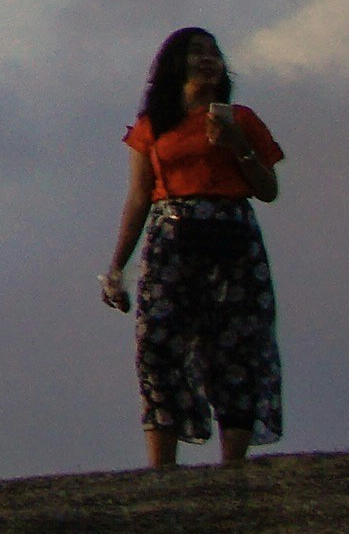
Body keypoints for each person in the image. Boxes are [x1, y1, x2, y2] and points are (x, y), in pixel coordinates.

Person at [101, 24, 286, 471]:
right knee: (159, 345)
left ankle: (233, 466)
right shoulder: (151, 127)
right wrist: (116, 268)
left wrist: (236, 143)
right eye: (196, 51)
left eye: (214, 52)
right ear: (174, 64)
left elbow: (268, 189)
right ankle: (162, 468)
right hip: (171, 240)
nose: (208, 59)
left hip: (233, 238)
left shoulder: (241, 120)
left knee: (236, 343)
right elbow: (139, 198)